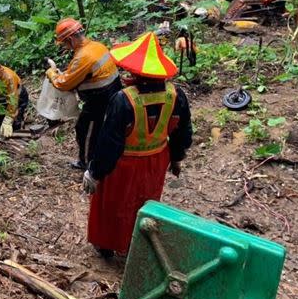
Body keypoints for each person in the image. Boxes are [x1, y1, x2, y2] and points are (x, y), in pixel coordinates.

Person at [83, 31, 192, 258]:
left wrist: (95, 172)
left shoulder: (124, 99)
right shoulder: (176, 95)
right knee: (146, 201)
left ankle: (107, 244)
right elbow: (183, 131)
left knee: (112, 204)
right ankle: (138, 241)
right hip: (156, 158)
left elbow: (109, 142)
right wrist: (177, 157)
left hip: (123, 163)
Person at [47, 18, 121, 169]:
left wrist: (52, 74)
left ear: (70, 39)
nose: (64, 47)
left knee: (85, 130)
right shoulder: (96, 46)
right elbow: (80, 72)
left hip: (99, 100)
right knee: (104, 129)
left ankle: (87, 163)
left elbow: (64, 84)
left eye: (64, 43)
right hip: (114, 92)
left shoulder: (83, 56)